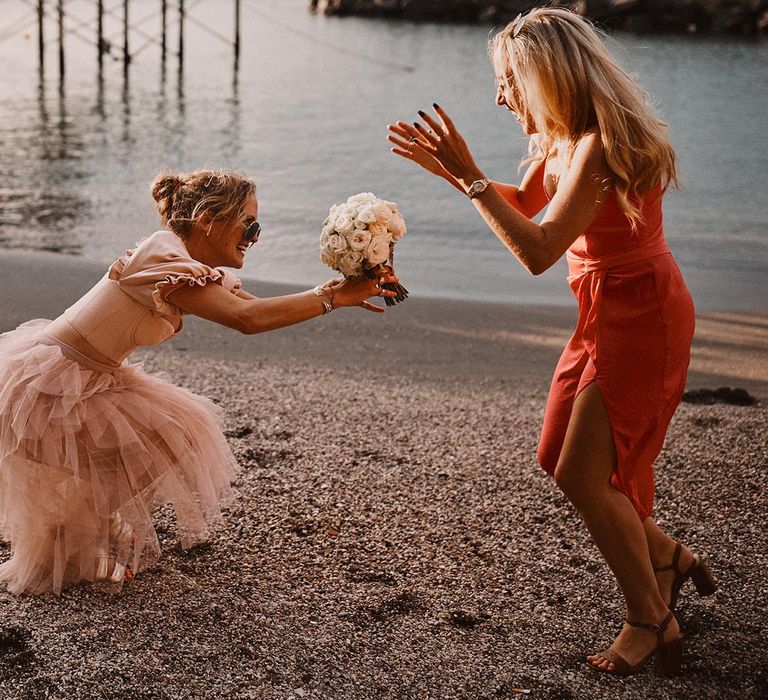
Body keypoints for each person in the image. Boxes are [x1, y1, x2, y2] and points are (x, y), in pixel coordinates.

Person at [387, 7, 715, 677]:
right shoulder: (562, 142)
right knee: (554, 455)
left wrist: (470, 174)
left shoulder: (599, 145)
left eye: (509, 81)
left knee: (583, 473)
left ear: (546, 78)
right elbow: (525, 202)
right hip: (599, 310)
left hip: (642, 315)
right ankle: (666, 556)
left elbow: (538, 248)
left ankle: (650, 619)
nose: (501, 96)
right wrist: (454, 172)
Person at [0, 169, 399, 595]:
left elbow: (257, 307)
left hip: (89, 376)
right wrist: (335, 297)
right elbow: (247, 321)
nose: (255, 237)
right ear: (209, 219)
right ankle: (76, 536)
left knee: (165, 435)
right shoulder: (162, 263)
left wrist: (342, 288)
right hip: (48, 385)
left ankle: (87, 525)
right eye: (250, 225)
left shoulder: (186, 266)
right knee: (174, 433)